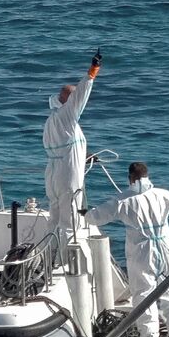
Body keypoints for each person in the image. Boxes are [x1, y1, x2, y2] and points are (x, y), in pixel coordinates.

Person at [80, 162, 169, 337]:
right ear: (147, 176)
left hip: (142, 253)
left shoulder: (123, 201)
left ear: (130, 178)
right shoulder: (163, 195)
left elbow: (97, 217)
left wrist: (85, 214)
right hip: (165, 248)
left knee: (144, 296)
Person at [43, 48, 102, 244]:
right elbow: (82, 94)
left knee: (55, 216)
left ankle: (50, 255)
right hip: (67, 174)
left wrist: (87, 154)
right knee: (70, 218)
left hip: (53, 173)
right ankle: (66, 260)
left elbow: (68, 146)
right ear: (68, 102)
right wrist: (93, 71)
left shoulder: (52, 120)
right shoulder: (67, 116)